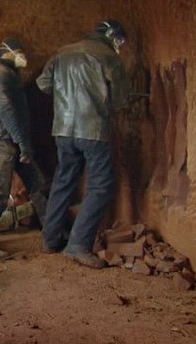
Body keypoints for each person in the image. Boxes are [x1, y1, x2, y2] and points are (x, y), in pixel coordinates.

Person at [36, 19, 130, 268]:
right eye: (119, 41)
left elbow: (43, 84)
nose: (119, 46)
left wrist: (65, 96)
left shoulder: (63, 52)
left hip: (63, 130)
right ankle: (78, 244)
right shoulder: (108, 56)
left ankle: (50, 238)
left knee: (64, 180)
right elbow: (121, 100)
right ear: (110, 35)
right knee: (101, 186)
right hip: (93, 130)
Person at [0, 36, 49, 260]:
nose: (23, 55)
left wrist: (22, 142)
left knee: (37, 184)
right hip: (3, 140)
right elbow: (6, 110)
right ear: (7, 53)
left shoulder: (9, 75)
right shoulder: (0, 73)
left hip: (11, 139)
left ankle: (53, 233)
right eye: (19, 51)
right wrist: (23, 143)